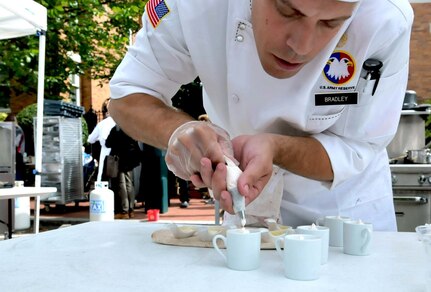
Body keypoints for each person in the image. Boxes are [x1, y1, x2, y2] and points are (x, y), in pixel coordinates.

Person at [108, 0, 414, 231]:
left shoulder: (387, 17)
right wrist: (180, 131)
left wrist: (276, 148)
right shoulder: (195, 5)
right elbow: (128, 94)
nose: (301, 46)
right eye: (288, 10)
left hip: (347, 212)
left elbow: (358, 145)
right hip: (246, 210)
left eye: (331, 23)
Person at [106, 125, 141, 219]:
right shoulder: (131, 127)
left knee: (121, 184)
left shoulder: (116, 128)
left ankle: (124, 211)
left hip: (120, 159)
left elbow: (108, 143)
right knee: (129, 183)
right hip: (130, 159)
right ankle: (131, 209)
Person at [87, 99, 116, 183]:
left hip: (106, 153)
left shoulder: (102, 124)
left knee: (104, 177)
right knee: (121, 180)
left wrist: (97, 138)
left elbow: (91, 139)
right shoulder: (120, 122)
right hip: (120, 153)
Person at [5, 113, 25, 180]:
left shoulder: (16, 129)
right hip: (17, 154)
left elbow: (15, 143)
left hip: (14, 154)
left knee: (15, 174)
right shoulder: (18, 128)